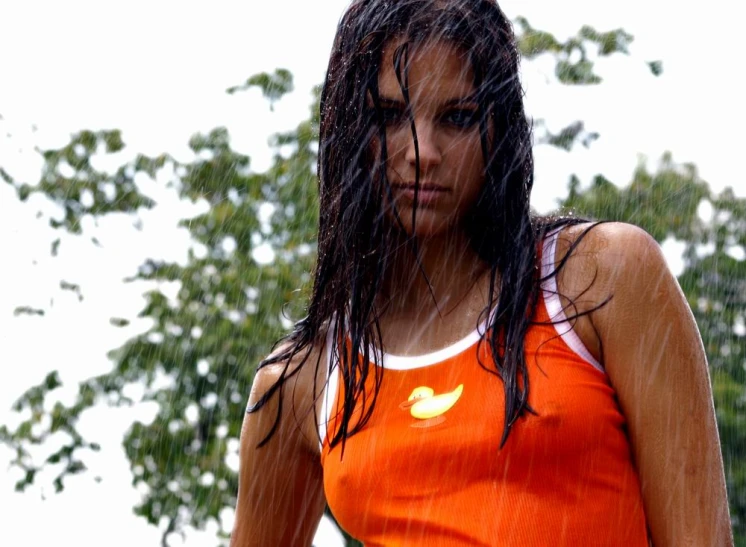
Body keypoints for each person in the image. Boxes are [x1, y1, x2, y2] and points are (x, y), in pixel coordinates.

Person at [230, 0, 733, 545]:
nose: (422, 153)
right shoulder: (301, 382)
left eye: (458, 117)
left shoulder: (602, 281)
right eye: (390, 115)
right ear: (349, 131)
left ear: (501, 131)